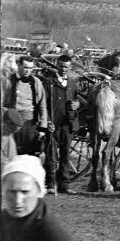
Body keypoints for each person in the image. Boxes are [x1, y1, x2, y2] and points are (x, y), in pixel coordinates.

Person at [42, 55, 81, 194]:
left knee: (65, 154)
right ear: (56, 66)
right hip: (53, 124)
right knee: (51, 154)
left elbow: (78, 99)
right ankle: (51, 183)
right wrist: (47, 121)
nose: (63, 69)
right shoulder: (48, 82)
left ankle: (64, 184)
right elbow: (42, 105)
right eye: (60, 66)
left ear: (70, 68)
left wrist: (77, 104)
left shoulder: (72, 83)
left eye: (66, 67)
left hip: (67, 124)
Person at [1, 56, 49, 155]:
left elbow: (42, 105)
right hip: (12, 123)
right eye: (25, 67)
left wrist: (42, 128)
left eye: (30, 68)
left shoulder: (36, 82)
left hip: (30, 123)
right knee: (12, 152)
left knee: (29, 154)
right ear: (18, 65)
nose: (28, 71)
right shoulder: (8, 81)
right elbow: (1, 103)